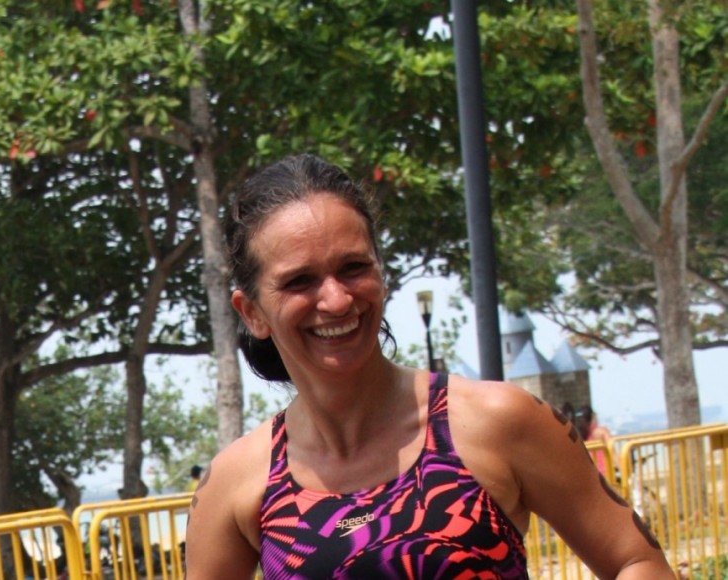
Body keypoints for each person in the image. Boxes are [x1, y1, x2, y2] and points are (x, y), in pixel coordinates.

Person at [184, 154, 673, 579]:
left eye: (353, 268)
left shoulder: (496, 421)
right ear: (252, 312)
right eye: (300, 281)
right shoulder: (237, 481)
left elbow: (636, 561)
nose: (336, 299)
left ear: (380, 272)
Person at [574, 404, 613, 476]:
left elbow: (612, 452)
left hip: (604, 475)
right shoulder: (580, 438)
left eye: (581, 422)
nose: (579, 425)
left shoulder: (599, 433)